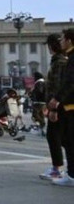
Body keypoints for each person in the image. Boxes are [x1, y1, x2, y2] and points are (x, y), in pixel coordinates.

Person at [40, 33, 68, 180]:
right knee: (63, 138)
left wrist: (53, 108)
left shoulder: (59, 62)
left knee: (54, 137)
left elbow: (57, 86)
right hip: (59, 105)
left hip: (58, 106)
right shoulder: (61, 60)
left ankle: (57, 169)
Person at [49, 29, 74, 186]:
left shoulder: (71, 59)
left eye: (63, 39)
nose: (61, 42)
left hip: (70, 106)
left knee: (69, 140)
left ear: (69, 41)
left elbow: (70, 83)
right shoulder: (70, 57)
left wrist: (56, 100)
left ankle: (71, 175)